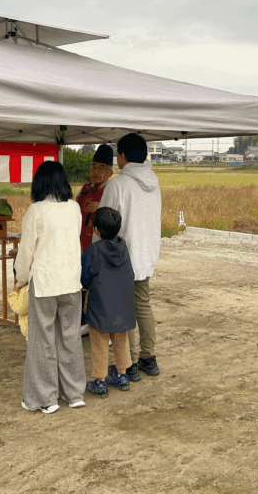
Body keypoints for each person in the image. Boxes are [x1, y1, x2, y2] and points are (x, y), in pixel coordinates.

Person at [14, 161, 86, 413]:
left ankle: (46, 398)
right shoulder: (75, 208)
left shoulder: (36, 211)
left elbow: (26, 252)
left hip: (45, 283)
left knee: (41, 340)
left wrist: (20, 278)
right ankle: (75, 393)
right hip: (71, 282)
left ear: (39, 183)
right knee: (70, 337)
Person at [96, 133, 161, 382]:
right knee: (143, 304)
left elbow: (104, 222)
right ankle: (148, 358)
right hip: (145, 253)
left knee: (124, 310)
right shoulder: (154, 183)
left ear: (121, 156)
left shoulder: (117, 185)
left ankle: (129, 364)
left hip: (120, 255)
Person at [81, 207, 136, 398]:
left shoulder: (93, 250)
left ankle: (100, 382)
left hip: (100, 306)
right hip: (123, 303)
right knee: (121, 340)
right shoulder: (124, 246)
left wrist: (85, 286)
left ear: (96, 229)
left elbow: (85, 277)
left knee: (99, 344)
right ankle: (122, 376)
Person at [77, 145, 115, 252]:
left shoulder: (111, 191)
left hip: (100, 246)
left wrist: (102, 206)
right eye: (93, 167)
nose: (96, 172)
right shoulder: (85, 189)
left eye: (101, 168)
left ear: (110, 173)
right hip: (81, 241)